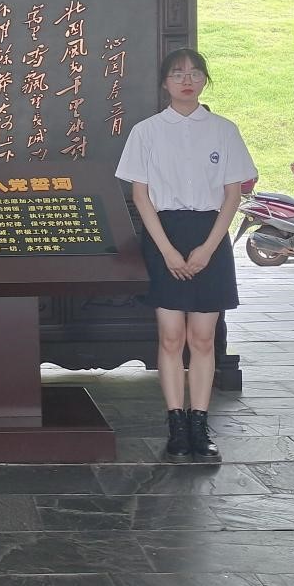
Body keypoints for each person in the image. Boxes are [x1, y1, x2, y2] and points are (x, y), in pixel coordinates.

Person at [115, 49, 257, 463]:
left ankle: (200, 423)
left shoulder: (224, 130)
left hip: (210, 236)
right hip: (165, 235)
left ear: (205, 80)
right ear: (165, 82)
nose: (187, 80)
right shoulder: (146, 132)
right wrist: (167, 251)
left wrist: (208, 248)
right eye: (178, 74)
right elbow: (141, 196)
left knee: (203, 338)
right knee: (171, 336)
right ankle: (176, 425)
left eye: (195, 74)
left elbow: (233, 195)